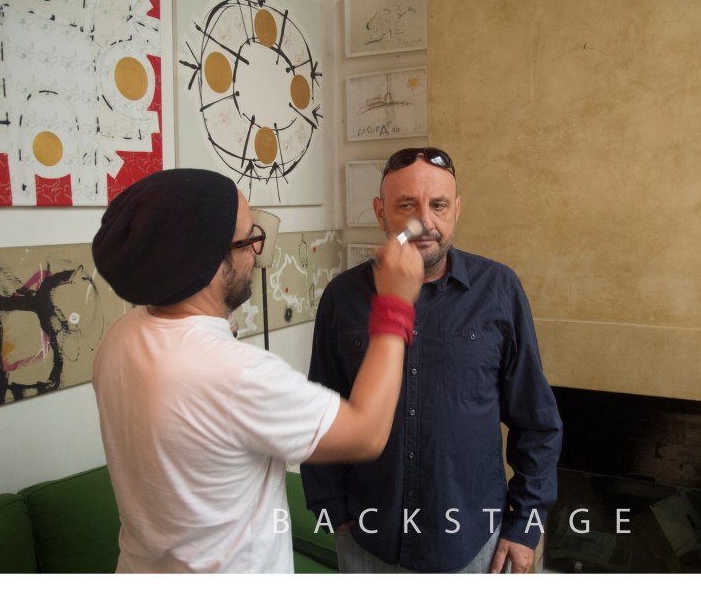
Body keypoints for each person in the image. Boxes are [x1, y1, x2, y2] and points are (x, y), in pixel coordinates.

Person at [90, 168, 423, 573]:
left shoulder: (119, 337)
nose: (257, 252)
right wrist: (395, 305)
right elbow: (366, 433)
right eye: (249, 239)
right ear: (208, 264)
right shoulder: (234, 374)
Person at [301, 148, 563, 574]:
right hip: (368, 540)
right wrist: (330, 507)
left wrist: (525, 525)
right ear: (380, 212)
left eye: (438, 205)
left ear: (456, 210)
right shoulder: (342, 297)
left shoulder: (499, 289)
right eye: (407, 206)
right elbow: (321, 407)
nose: (425, 221)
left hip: (472, 543)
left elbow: (536, 421)